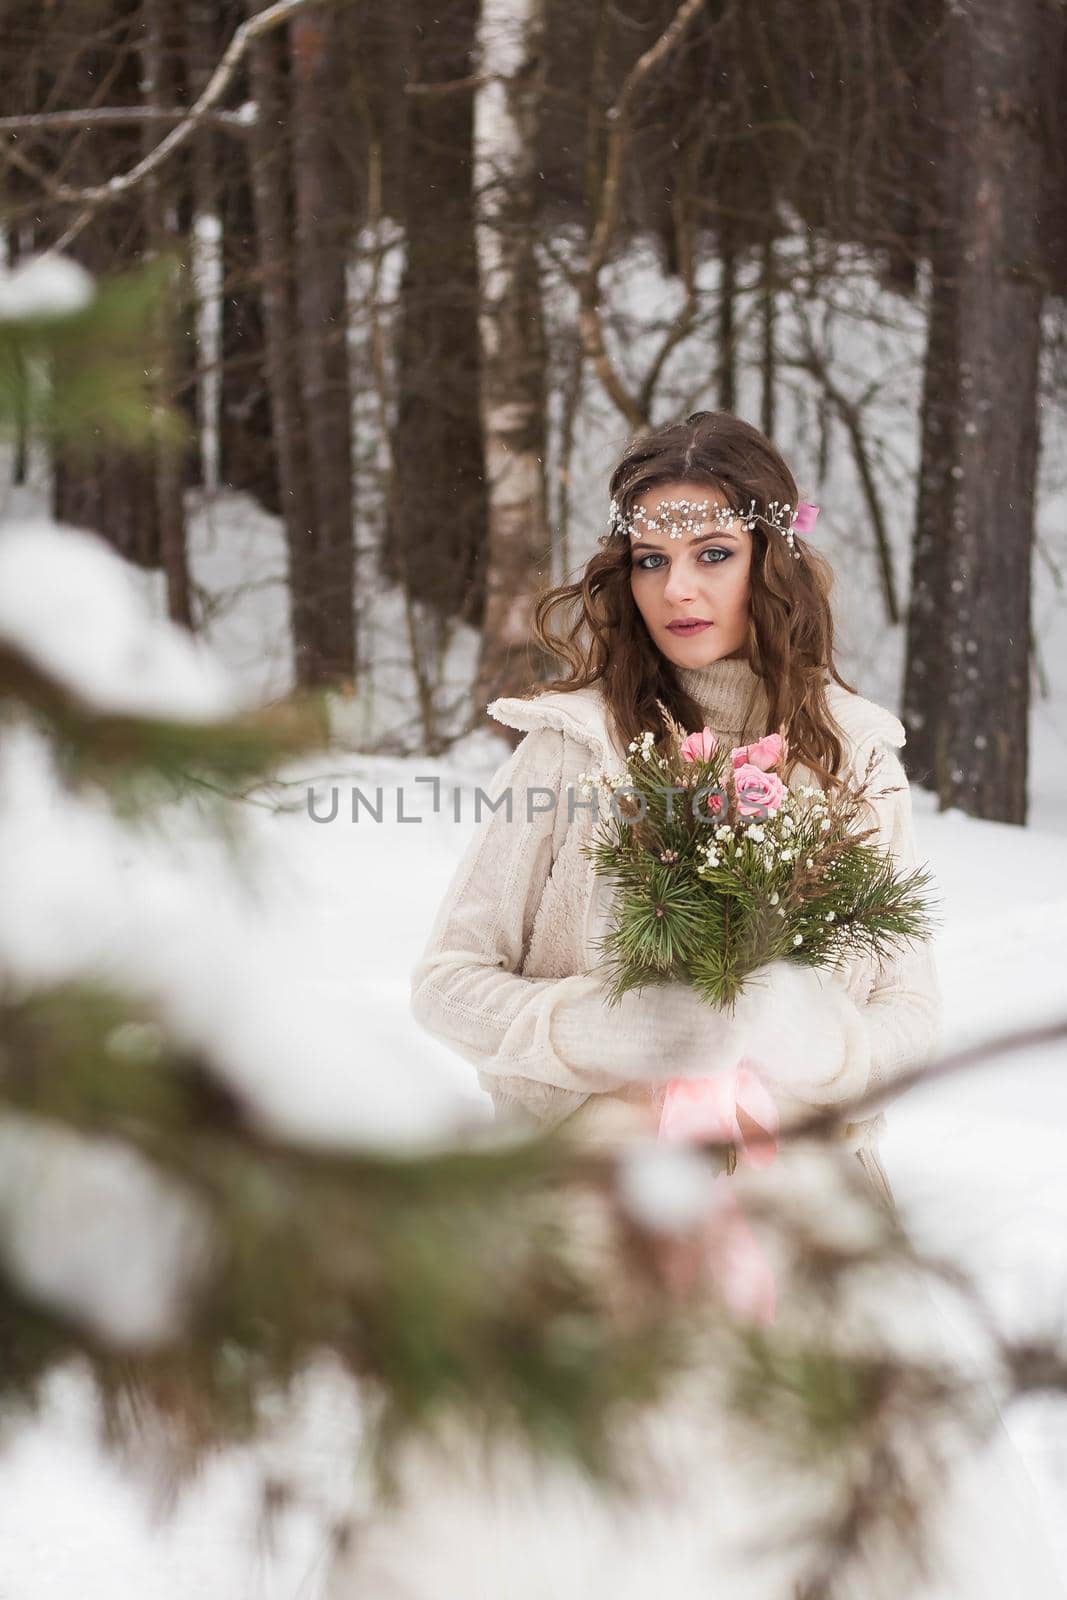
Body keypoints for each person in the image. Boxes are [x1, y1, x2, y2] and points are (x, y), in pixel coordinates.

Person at [410, 410, 941, 1210]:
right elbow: (445, 985)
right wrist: (603, 1030)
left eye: (714, 555)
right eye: (650, 560)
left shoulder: (853, 757)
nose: (676, 589)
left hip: (796, 1178)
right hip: (597, 1178)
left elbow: (910, 1014)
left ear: (772, 563)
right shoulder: (573, 746)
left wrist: (815, 1040)